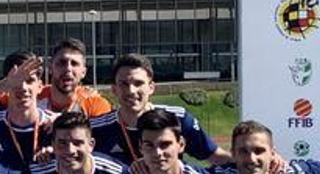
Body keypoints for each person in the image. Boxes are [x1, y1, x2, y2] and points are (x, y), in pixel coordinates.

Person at [90, 54, 227, 168]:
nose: (131, 91)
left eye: (138, 83)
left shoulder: (177, 118)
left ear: (151, 87)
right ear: (114, 89)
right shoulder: (96, 128)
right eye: (124, 84)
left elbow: (217, 156)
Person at [0, 52, 56, 173]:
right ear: (6, 86)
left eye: (29, 80)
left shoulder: (54, 126)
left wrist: (57, 152)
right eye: (17, 81)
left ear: (40, 87)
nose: (23, 87)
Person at [42, 38, 112, 116]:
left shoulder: (94, 104)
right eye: (62, 63)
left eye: (74, 63)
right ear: (50, 68)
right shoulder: (34, 98)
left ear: (83, 72)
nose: (68, 69)